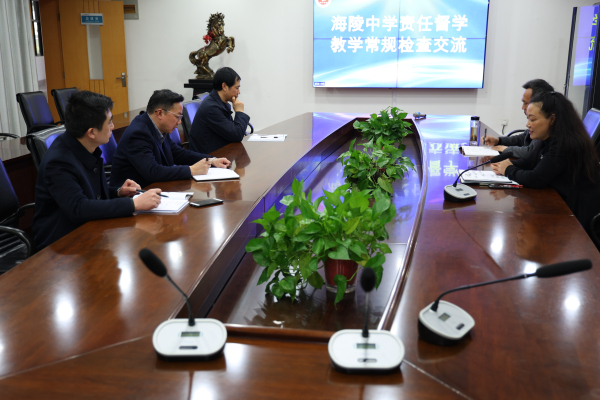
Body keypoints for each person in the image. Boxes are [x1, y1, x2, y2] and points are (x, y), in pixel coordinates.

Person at [33, 91, 161, 250]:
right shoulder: (58, 162)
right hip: (60, 244)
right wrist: (133, 204)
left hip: (88, 230)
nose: (113, 127)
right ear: (92, 132)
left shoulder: (85, 146)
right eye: (109, 122)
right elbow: (78, 208)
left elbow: (90, 193)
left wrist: (118, 192)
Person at [492, 92, 600, 239]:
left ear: (552, 119)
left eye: (532, 119)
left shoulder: (565, 143)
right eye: (528, 118)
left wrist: (508, 170)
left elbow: (536, 179)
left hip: (577, 216)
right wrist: (505, 165)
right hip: (563, 203)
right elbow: (529, 162)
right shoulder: (549, 139)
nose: (527, 124)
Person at [110, 89, 231, 188]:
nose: (179, 122)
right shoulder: (138, 134)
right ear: (160, 113)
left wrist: (211, 160)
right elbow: (152, 171)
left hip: (154, 189)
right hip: (133, 196)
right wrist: (191, 170)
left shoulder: (158, 127)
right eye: (177, 116)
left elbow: (177, 153)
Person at [483, 79, 554, 158]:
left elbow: (530, 152)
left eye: (526, 103)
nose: (522, 107)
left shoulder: (546, 127)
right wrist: (498, 140)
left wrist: (506, 150)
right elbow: (523, 138)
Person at [188, 67, 251, 153]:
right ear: (224, 86)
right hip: (208, 158)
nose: (239, 92)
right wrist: (239, 112)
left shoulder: (220, 103)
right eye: (237, 88)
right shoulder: (211, 108)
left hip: (219, 153)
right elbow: (236, 135)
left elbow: (233, 133)